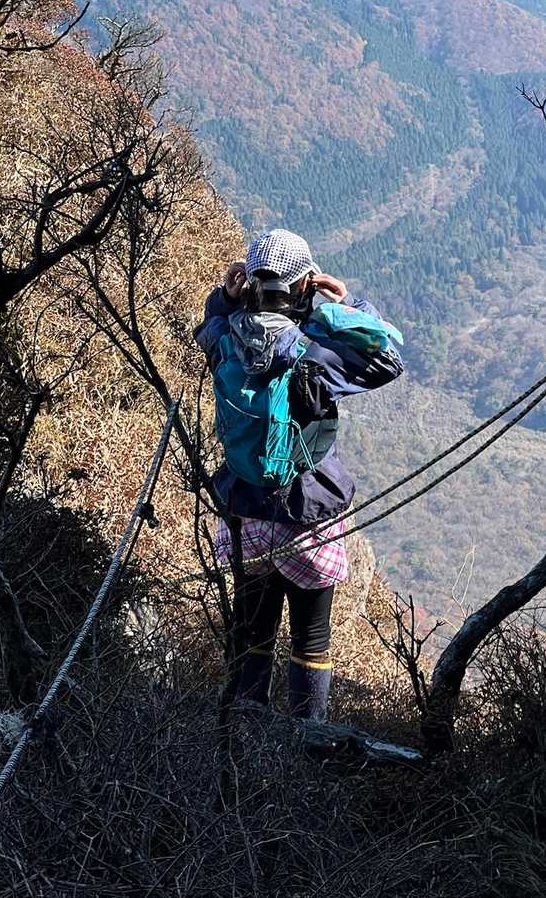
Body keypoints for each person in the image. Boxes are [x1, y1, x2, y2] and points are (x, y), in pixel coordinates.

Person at [195, 227, 397, 721]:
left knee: (253, 630)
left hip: (245, 514)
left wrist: (226, 298)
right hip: (306, 515)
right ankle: (306, 736)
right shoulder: (315, 353)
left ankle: (246, 729)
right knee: (311, 637)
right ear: (304, 284)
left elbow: (208, 325)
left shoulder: (226, 341)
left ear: (250, 281)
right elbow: (387, 358)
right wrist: (344, 304)